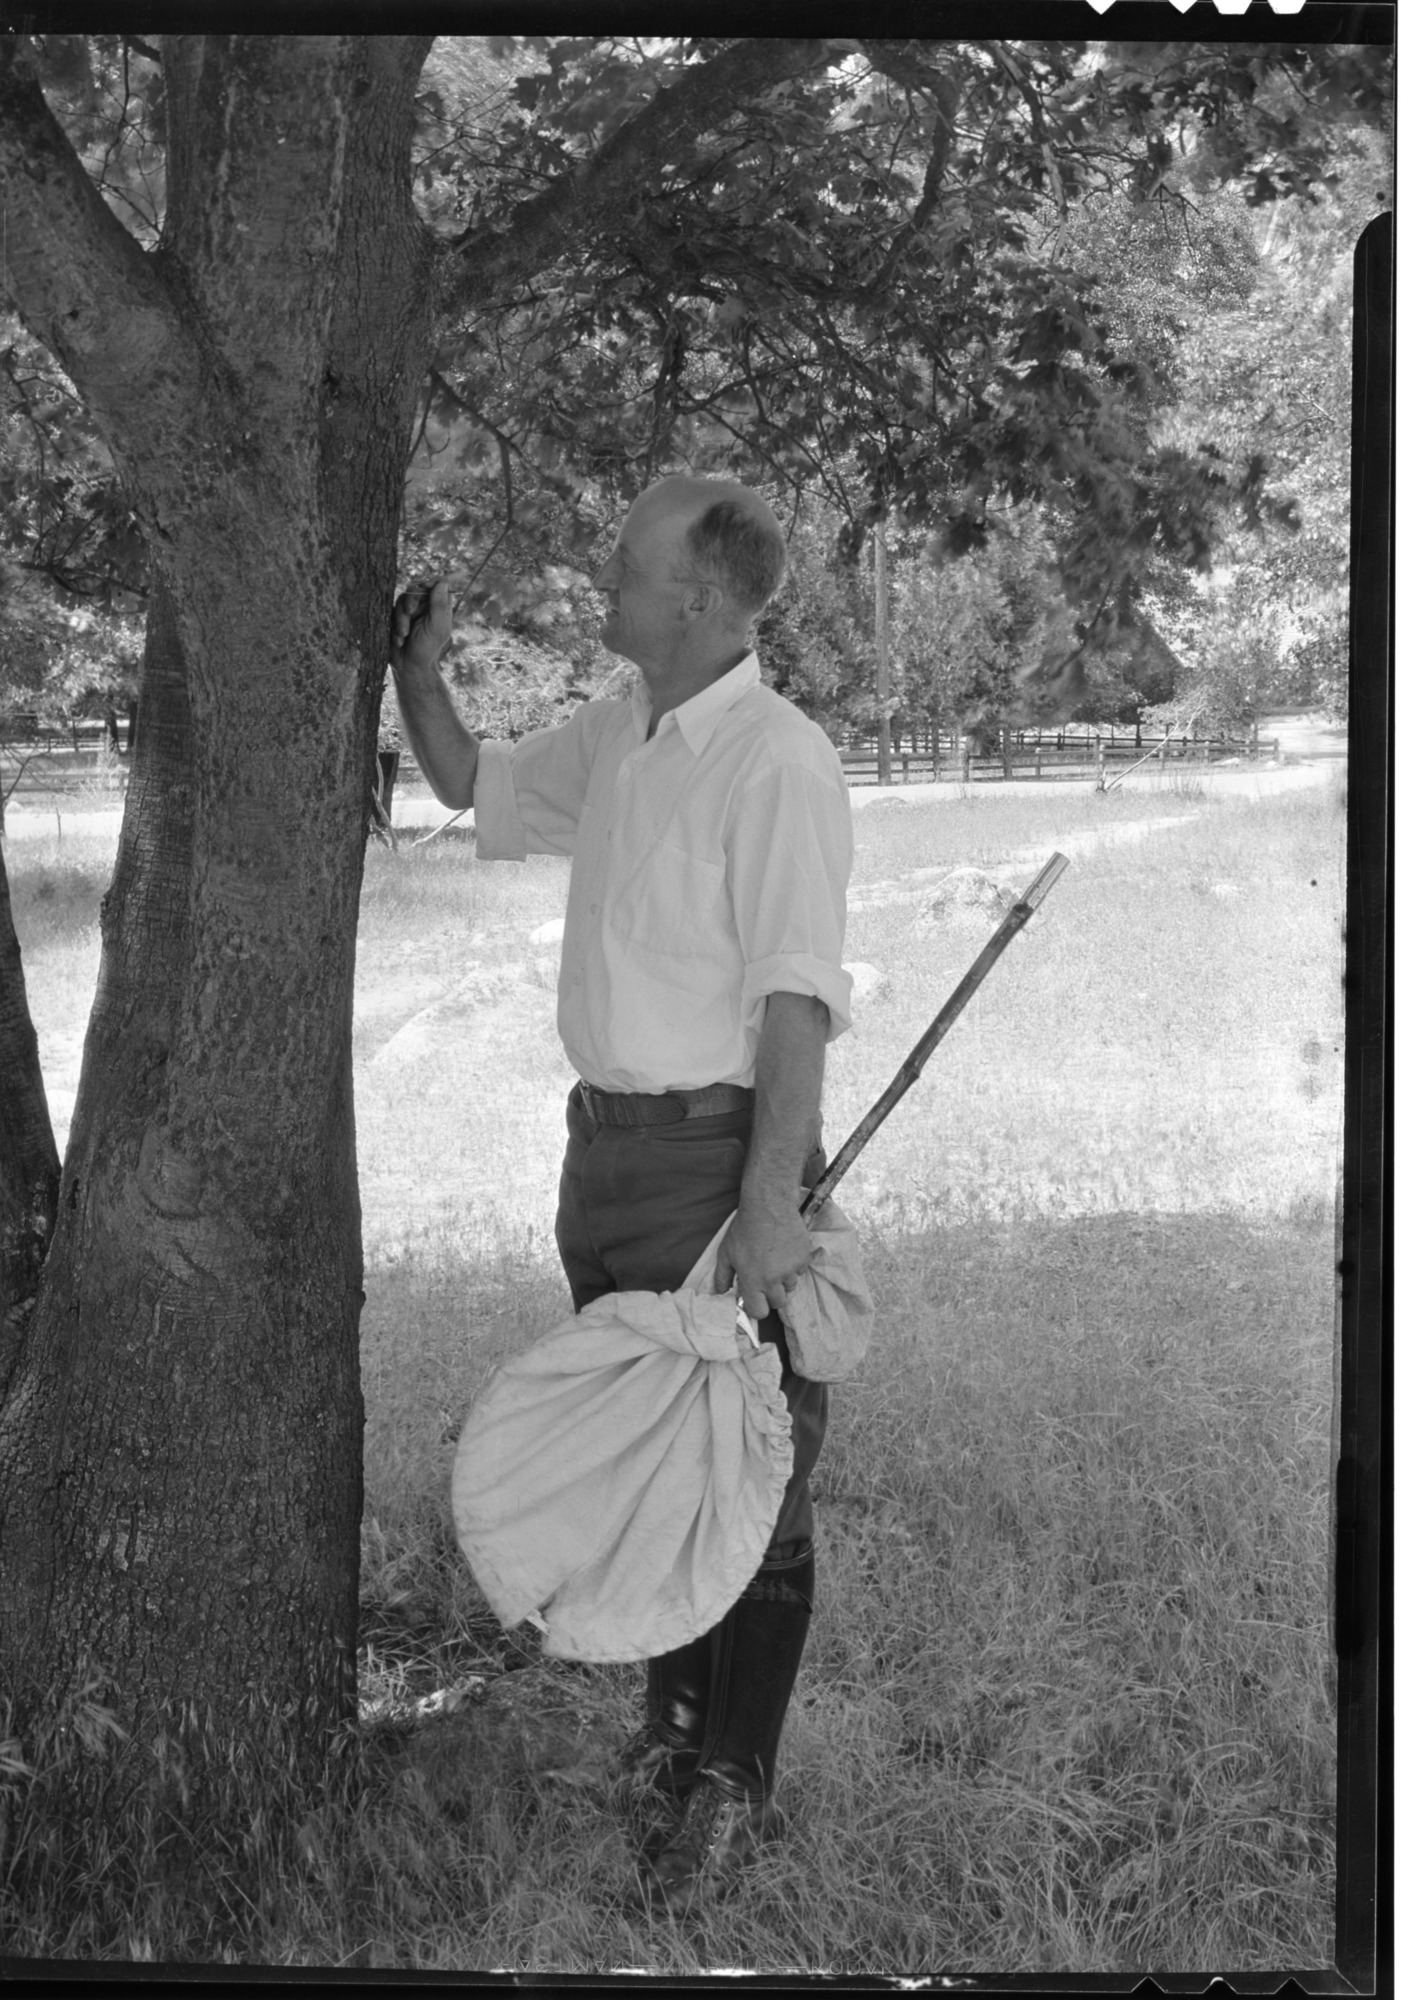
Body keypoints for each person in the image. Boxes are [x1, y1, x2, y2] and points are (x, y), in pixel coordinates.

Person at [389, 475, 854, 1914]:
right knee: (652, 1460)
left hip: (716, 1167)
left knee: (747, 1473)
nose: (603, 584)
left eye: (626, 568)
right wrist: (417, 670)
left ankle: (730, 1787)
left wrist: (769, 1208)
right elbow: (470, 784)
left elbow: (795, 1003)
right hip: (601, 1157)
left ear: (697, 598)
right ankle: (669, 1742)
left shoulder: (776, 761)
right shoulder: (621, 731)